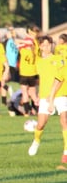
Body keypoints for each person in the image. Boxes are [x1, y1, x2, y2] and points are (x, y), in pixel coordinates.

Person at [27, 36, 67, 164]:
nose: (46, 47)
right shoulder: (38, 61)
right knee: (41, 124)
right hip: (44, 95)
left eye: (48, 44)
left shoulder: (59, 59)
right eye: (43, 45)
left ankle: (66, 151)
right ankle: (37, 140)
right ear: (40, 46)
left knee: (64, 120)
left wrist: (52, 95)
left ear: (52, 45)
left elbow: (61, 78)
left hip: (60, 93)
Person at [17, 25, 40, 116]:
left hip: (25, 72)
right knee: (33, 94)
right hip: (34, 71)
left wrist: (19, 40)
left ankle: (27, 112)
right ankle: (39, 110)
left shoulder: (24, 47)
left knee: (25, 93)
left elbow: (18, 43)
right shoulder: (36, 44)